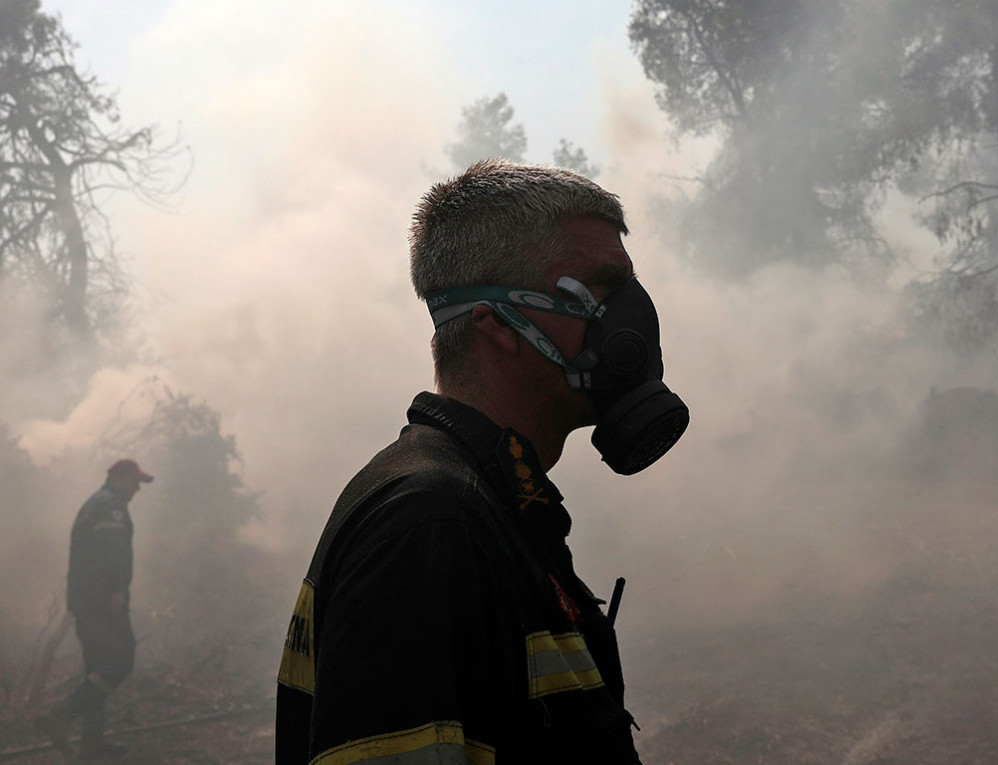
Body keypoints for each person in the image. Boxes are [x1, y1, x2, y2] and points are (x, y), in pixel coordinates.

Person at [276, 160, 689, 764]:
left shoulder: (493, 506)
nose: (633, 317)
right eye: (602, 290)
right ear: (497, 324)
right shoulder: (428, 527)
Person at [36, 458, 153, 760]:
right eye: (135, 482)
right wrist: (115, 590)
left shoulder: (96, 503)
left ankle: (91, 742)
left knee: (96, 668)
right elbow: (111, 553)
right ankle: (61, 715)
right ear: (119, 478)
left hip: (87, 600)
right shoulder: (109, 506)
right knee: (119, 660)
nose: (137, 489)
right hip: (101, 600)